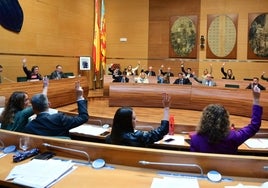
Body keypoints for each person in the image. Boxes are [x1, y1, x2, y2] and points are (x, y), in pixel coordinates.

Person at [190, 85, 262, 154]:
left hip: (203, 167)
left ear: (204, 120)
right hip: (229, 167)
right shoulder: (233, 137)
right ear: (225, 119)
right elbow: (254, 126)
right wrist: (256, 99)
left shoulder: (195, 139)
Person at [24, 81, 89, 137]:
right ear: (49, 104)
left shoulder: (29, 127)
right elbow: (83, 117)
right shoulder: (59, 118)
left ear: (33, 109)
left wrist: (45, 87)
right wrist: (80, 97)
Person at [105, 93, 170, 147]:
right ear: (127, 122)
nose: (137, 120)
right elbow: (162, 130)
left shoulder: (109, 139)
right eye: (134, 118)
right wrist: (166, 108)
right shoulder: (138, 137)